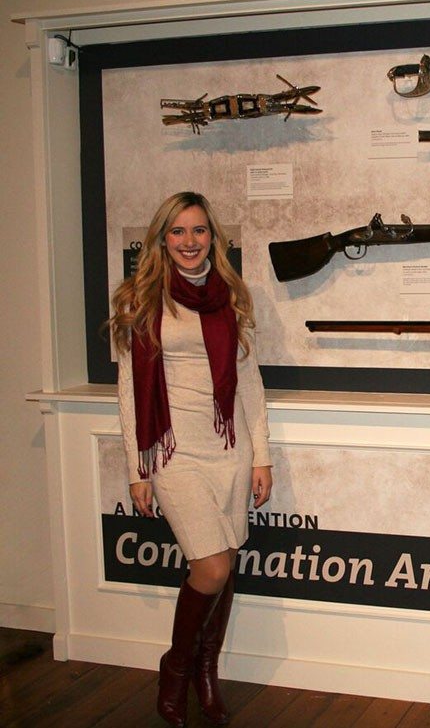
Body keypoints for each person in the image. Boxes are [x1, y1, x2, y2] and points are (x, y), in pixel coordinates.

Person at [109, 191, 272, 727]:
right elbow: (130, 394)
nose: (188, 242)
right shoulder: (141, 299)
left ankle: (207, 670)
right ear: (161, 239)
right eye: (177, 231)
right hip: (173, 452)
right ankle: (176, 667)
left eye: (198, 231)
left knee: (224, 563)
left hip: (229, 448)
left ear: (212, 238)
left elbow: (249, 380)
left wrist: (261, 457)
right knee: (213, 564)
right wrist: (137, 469)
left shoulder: (232, 296)